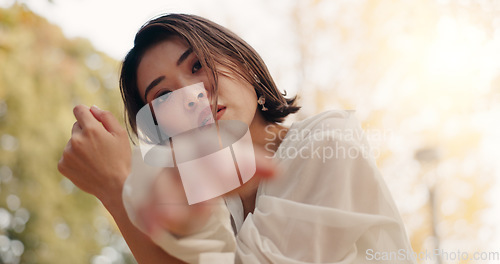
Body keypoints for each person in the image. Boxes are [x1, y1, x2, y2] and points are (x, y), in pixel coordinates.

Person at [58, 14, 415, 264]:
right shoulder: (206, 203)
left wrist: (117, 188)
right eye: (163, 97)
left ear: (242, 63)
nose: (191, 94)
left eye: (197, 65)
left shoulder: (327, 141)